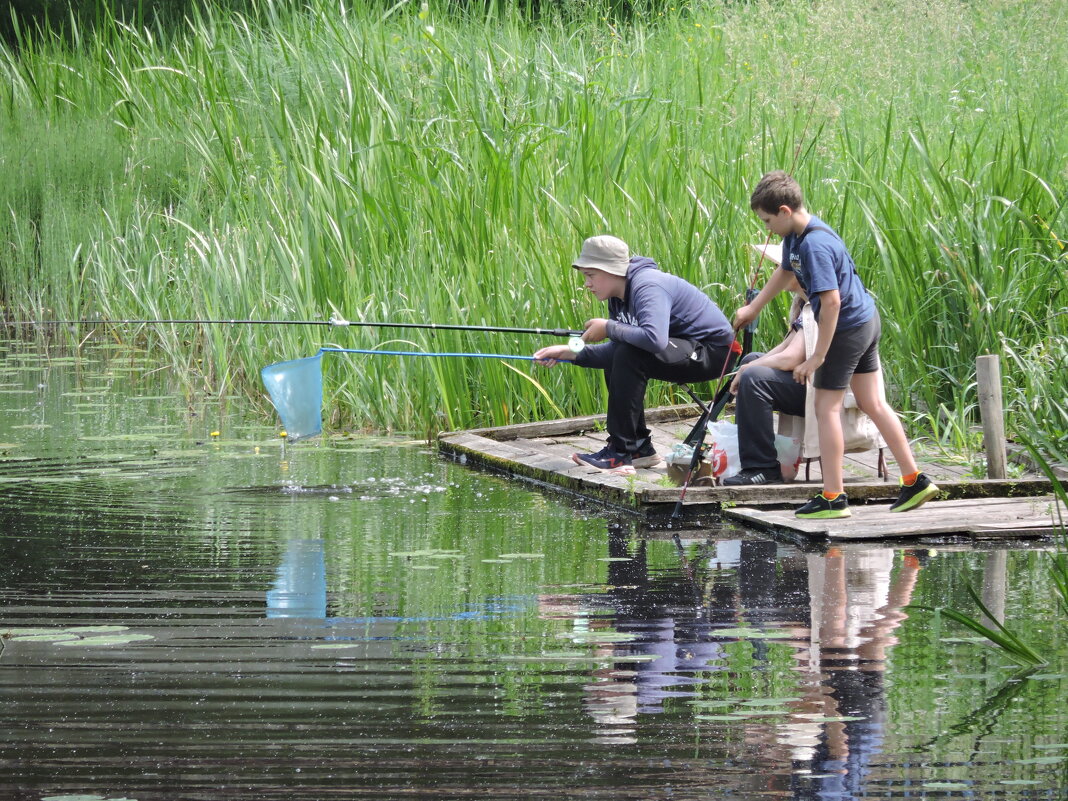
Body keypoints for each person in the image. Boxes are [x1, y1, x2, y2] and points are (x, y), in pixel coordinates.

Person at [734, 171, 939, 518]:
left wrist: (817, 357)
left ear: (784, 211)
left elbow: (830, 303)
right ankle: (914, 479)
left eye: (768, 221)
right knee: (871, 402)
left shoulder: (814, 244)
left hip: (846, 328)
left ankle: (833, 496)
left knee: (826, 408)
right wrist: (754, 306)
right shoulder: (798, 237)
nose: (768, 229)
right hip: (865, 319)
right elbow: (784, 272)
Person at [534, 235, 735, 472]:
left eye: (590, 275)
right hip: (681, 348)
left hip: (713, 353)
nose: (587, 284)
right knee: (625, 350)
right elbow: (617, 348)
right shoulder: (618, 297)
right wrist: (570, 352)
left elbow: (653, 339)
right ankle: (640, 449)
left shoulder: (647, 286)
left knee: (629, 352)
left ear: (611, 270)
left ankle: (620, 452)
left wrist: (608, 327)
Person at [721, 291, 808, 486]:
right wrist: (751, 364)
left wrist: (748, 370)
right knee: (752, 361)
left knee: (754, 377)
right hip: (806, 378)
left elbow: (791, 358)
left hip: (822, 388)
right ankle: (748, 457)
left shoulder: (817, 301)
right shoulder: (805, 302)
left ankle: (762, 467)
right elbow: (787, 346)